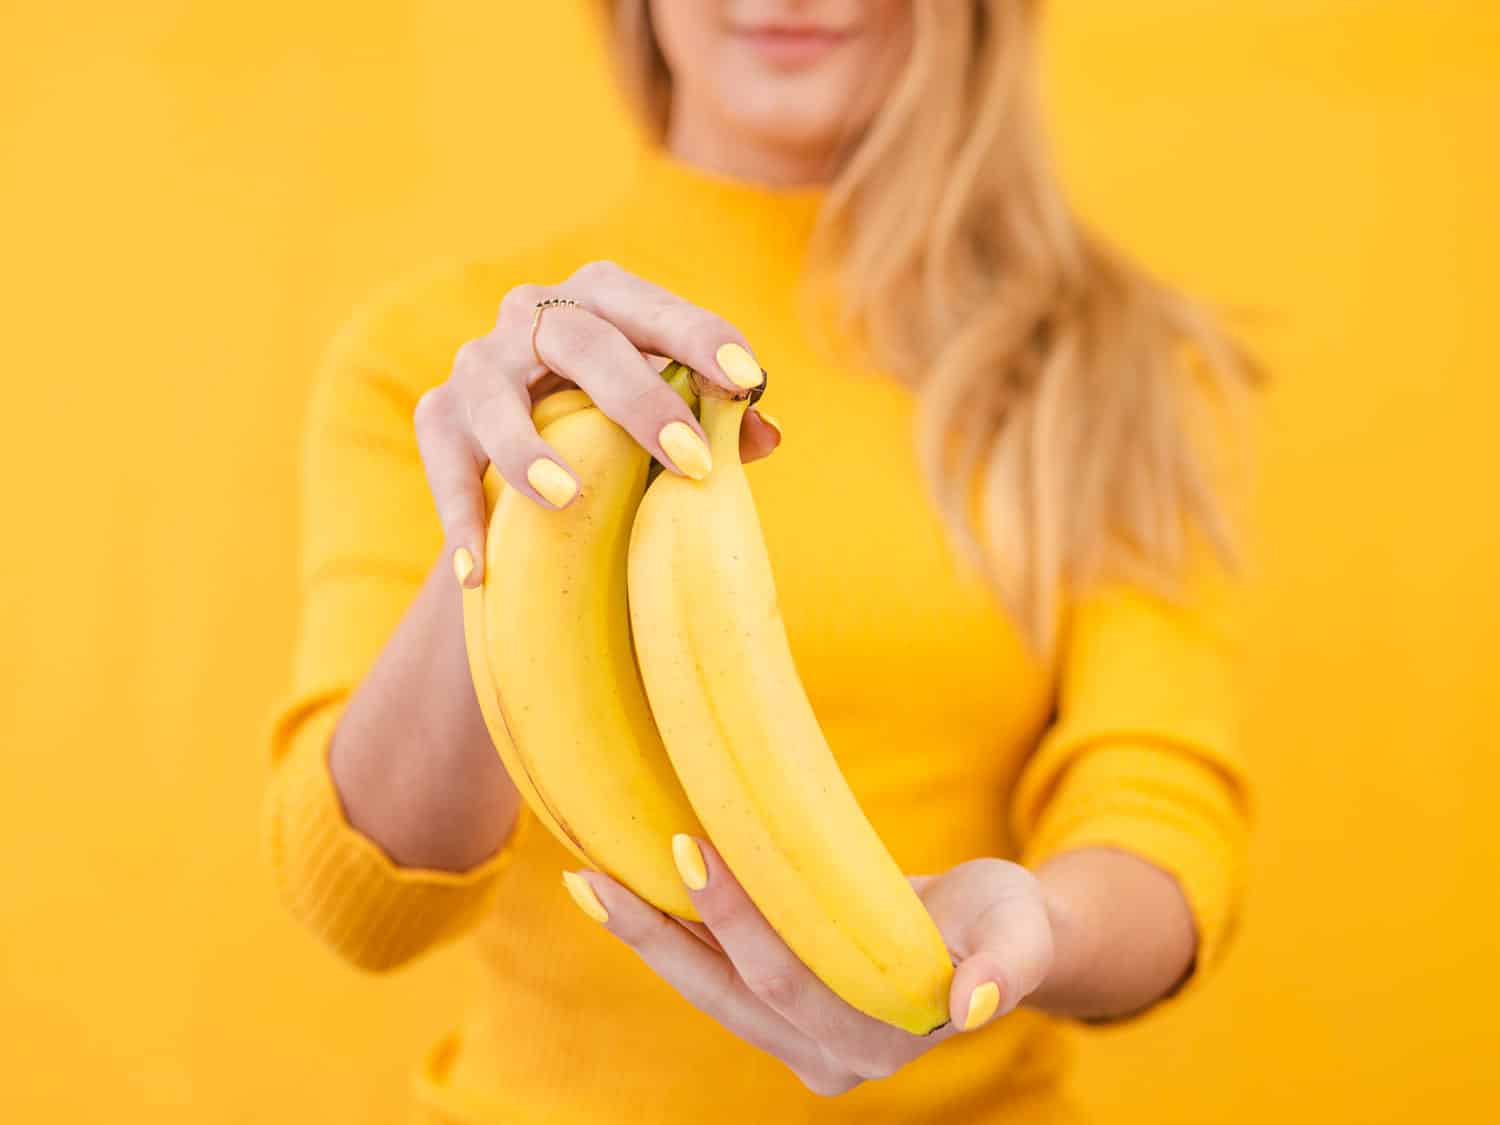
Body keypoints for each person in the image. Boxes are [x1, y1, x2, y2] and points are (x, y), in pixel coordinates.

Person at [263, 2, 1257, 1120]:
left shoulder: (1113, 367)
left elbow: (1161, 820)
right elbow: (362, 905)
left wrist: (1032, 931)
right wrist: (509, 499)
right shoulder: (445, 363)